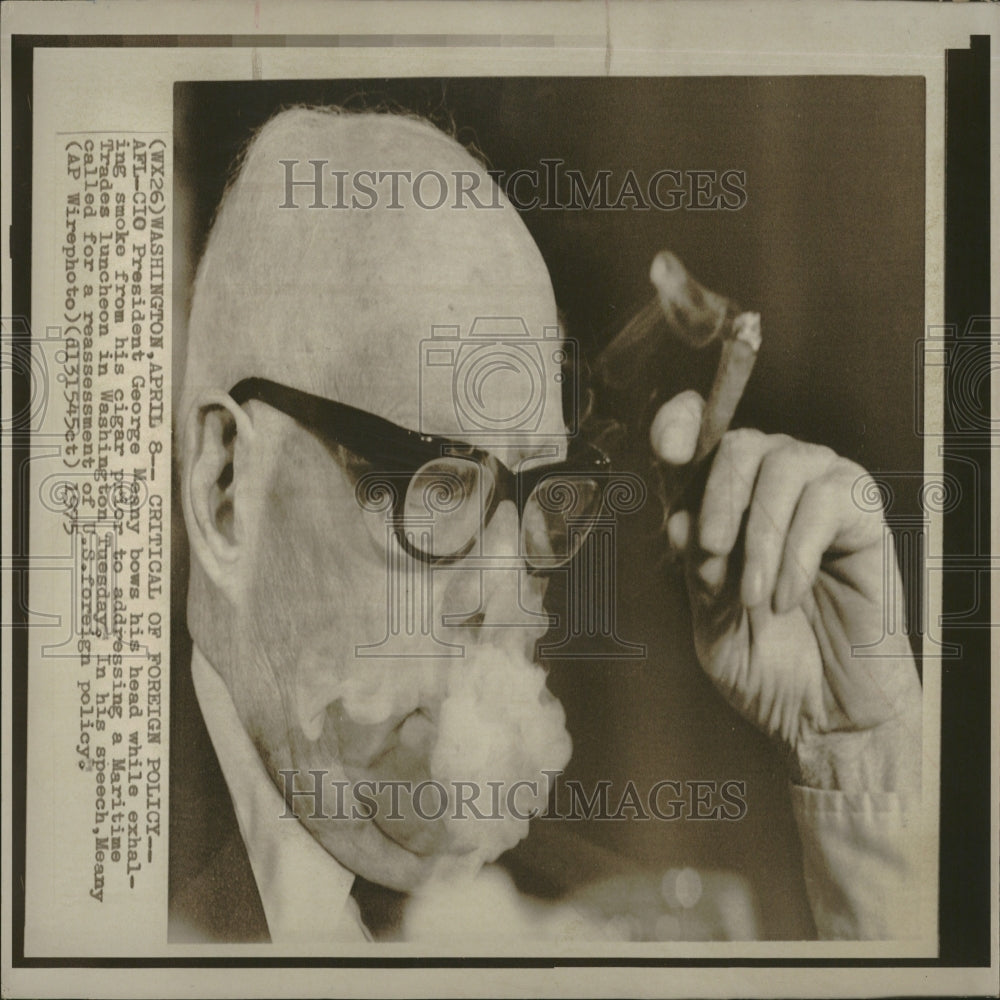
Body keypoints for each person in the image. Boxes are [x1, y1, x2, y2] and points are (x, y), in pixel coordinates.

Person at [169, 107, 926, 944]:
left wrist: (852, 753)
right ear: (226, 490)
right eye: (439, 484)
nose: (509, 600)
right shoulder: (88, 903)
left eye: (540, 493)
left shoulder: (572, 921)